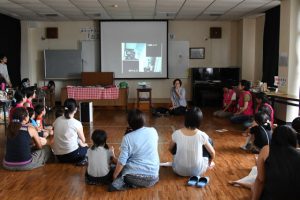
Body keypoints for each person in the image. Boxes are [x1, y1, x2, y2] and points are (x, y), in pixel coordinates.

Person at [109, 109, 159, 191]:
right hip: (154, 177)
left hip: (134, 178)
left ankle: (123, 183)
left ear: (129, 123)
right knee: (120, 165)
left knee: (113, 169)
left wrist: (114, 176)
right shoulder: (153, 131)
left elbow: (122, 162)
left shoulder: (127, 138)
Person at [252, 125, 300, 200]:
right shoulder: (297, 153)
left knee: (254, 186)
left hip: (271, 196)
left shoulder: (266, 149)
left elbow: (260, 180)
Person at [169, 107, 215, 176]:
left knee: (176, 143)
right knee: (209, 141)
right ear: (199, 121)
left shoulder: (176, 133)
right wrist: (210, 162)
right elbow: (212, 152)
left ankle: (181, 159)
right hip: (197, 171)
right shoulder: (202, 135)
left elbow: (170, 149)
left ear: (186, 119)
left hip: (179, 170)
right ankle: (208, 163)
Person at [52, 98, 88, 164]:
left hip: (59, 156)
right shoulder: (77, 123)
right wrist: (82, 143)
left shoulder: (57, 120)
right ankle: (81, 159)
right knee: (86, 147)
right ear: (76, 109)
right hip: (72, 155)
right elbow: (83, 140)